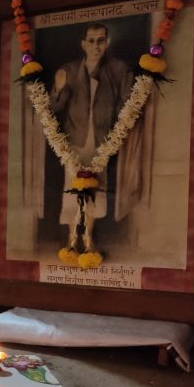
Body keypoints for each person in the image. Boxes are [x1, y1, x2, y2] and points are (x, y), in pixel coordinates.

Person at [49, 23, 137, 250]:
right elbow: (53, 107)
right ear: (83, 44)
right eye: (92, 41)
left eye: (101, 40)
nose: (96, 46)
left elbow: (129, 102)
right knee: (72, 189)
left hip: (102, 141)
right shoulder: (68, 70)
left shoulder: (117, 69)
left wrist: (117, 128)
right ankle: (72, 239)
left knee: (97, 189)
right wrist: (59, 89)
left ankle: (89, 239)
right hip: (75, 141)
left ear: (107, 43)